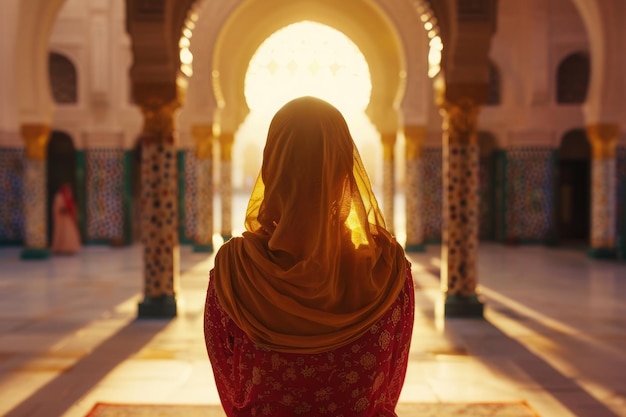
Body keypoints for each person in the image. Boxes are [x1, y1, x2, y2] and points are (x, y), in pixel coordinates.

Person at [204, 96, 415, 416]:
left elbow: (232, 395)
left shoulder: (235, 273)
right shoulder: (387, 273)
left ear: (271, 172)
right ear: (346, 174)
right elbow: (387, 394)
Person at [51, 183, 81, 254]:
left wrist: (73, 212)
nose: (68, 191)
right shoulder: (59, 197)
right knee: (62, 233)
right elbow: (57, 208)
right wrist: (63, 209)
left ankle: (70, 249)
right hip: (61, 219)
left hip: (68, 218)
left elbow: (73, 206)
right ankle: (60, 249)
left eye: (69, 190)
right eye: (67, 190)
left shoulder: (69, 196)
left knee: (69, 233)